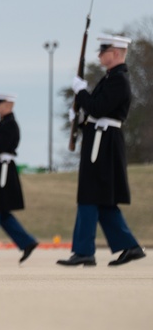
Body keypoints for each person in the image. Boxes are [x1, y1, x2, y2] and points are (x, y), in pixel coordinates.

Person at [59, 35, 146, 266]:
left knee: (90, 195)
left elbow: (98, 108)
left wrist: (82, 93)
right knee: (103, 200)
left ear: (116, 53)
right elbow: (94, 111)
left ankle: (84, 251)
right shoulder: (110, 79)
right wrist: (78, 117)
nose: (99, 55)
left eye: (103, 50)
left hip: (104, 143)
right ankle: (130, 246)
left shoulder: (118, 80)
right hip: (99, 140)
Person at [0, 93, 39, 263]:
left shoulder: (10, 125)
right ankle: (26, 242)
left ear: (8, 105)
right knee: (2, 213)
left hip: (3, 172)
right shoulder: (5, 124)